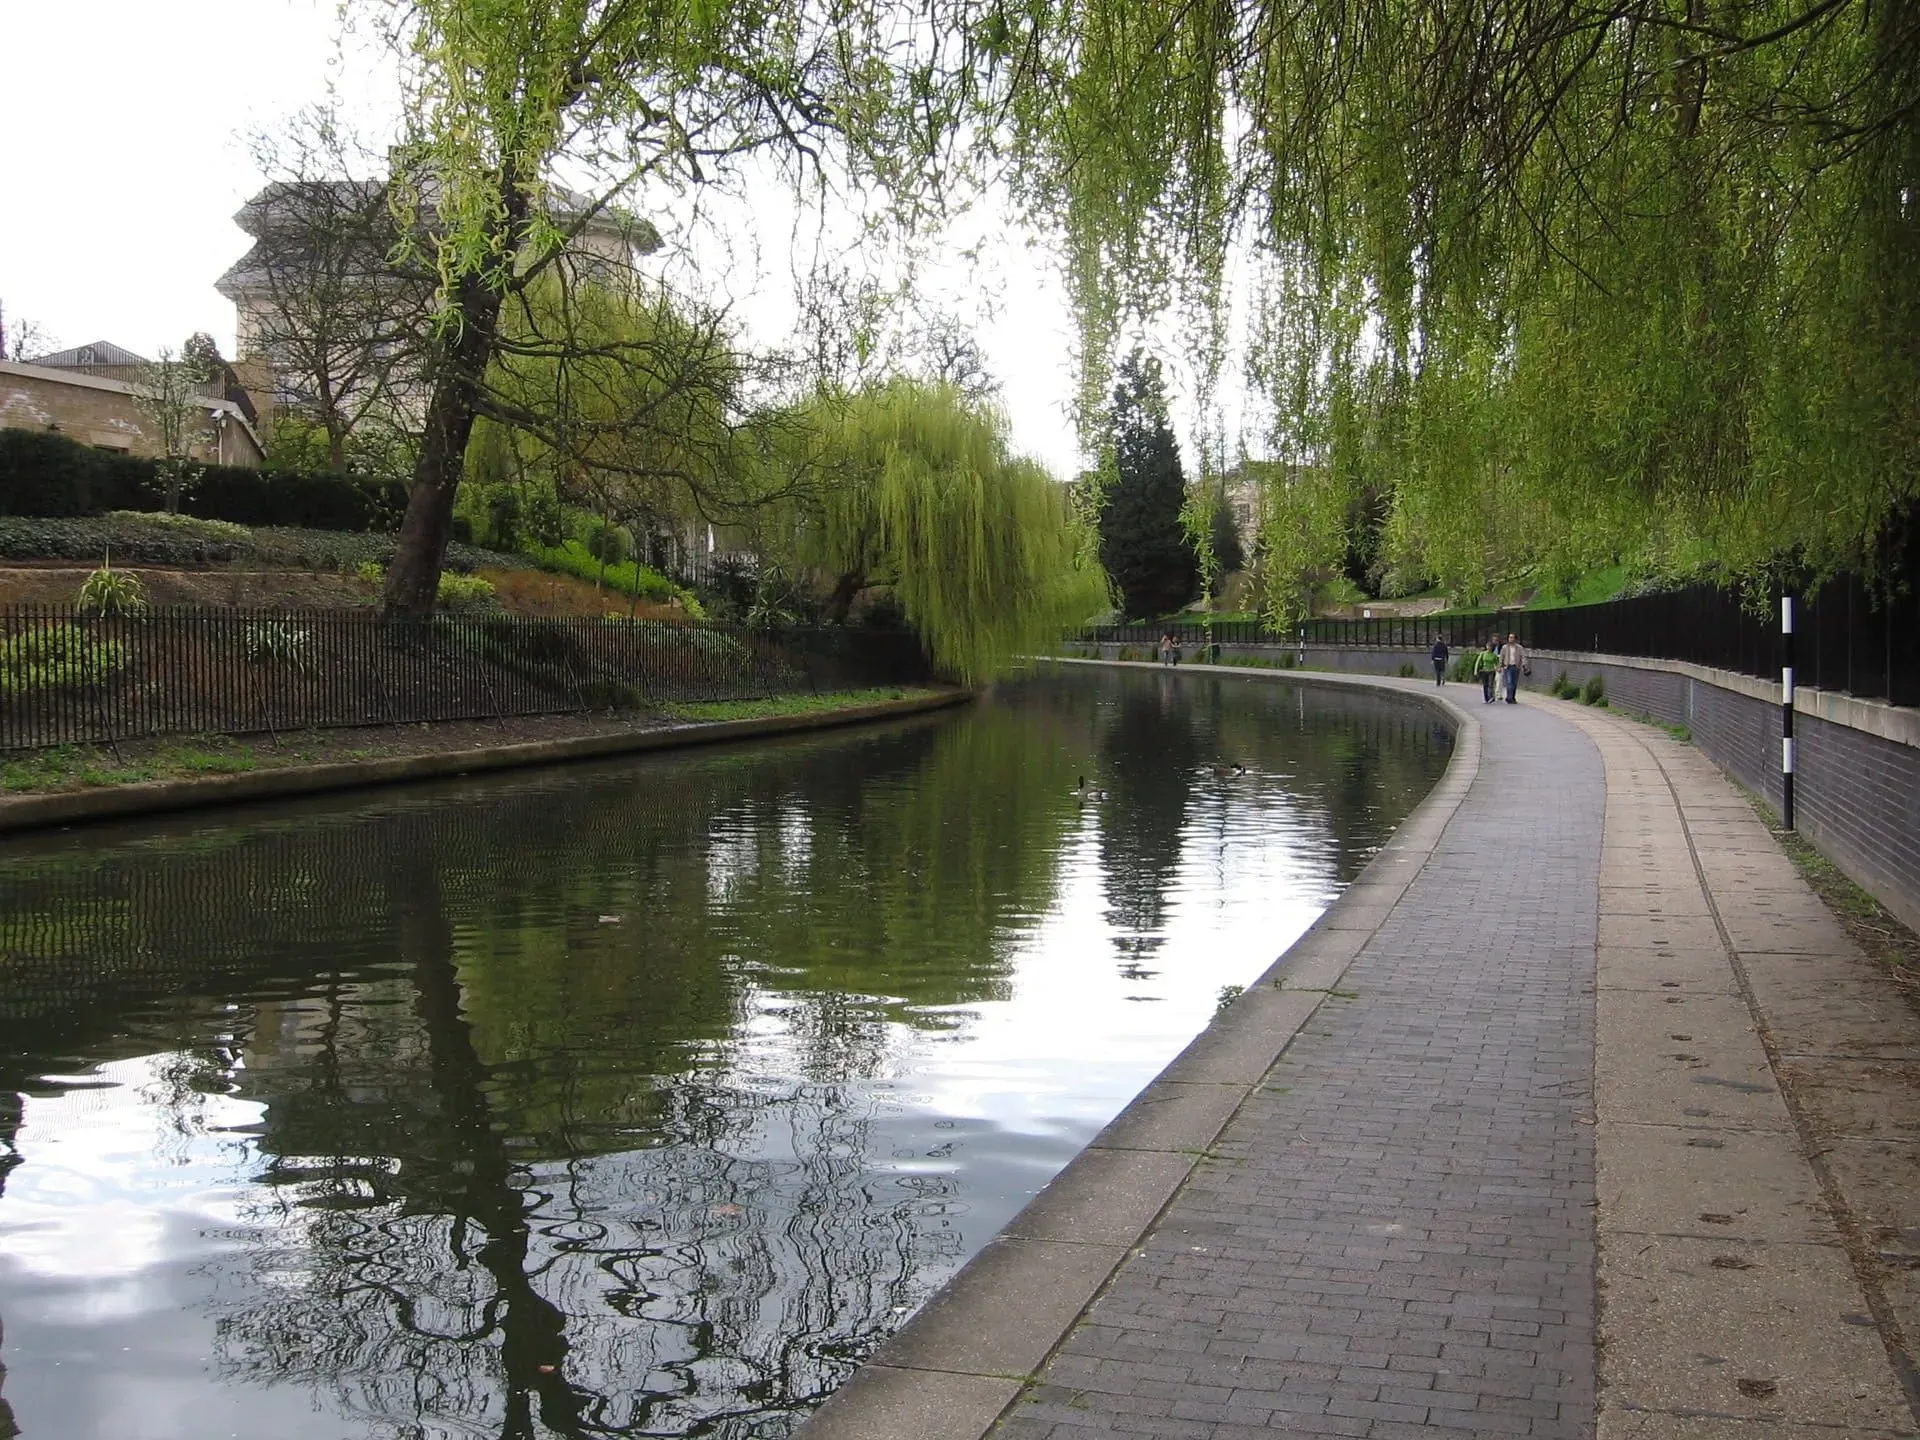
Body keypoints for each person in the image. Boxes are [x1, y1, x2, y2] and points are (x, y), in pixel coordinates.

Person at [1500, 632, 1528, 704]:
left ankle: (1512, 697)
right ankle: (1509, 698)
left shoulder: (1519, 647)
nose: (1511, 639)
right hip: (1508, 666)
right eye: (1509, 637)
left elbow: (1523, 656)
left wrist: (1524, 664)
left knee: (1514, 683)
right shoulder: (1505, 647)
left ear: (1515, 639)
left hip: (1516, 666)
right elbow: (1501, 657)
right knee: (1509, 682)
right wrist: (1500, 665)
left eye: (1512, 637)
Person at [1475, 638, 1500, 704]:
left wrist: (1498, 668)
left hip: (1491, 671)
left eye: (1490, 646)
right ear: (1486, 647)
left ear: (1492, 648)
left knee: (1490, 684)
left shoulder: (1494, 655)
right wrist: (1476, 670)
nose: (1489, 648)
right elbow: (1478, 662)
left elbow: (1497, 662)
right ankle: (1486, 698)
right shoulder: (1483, 654)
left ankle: (1491, 697)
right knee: (1485, 685)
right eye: (1488, 646)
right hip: (1484, 670)